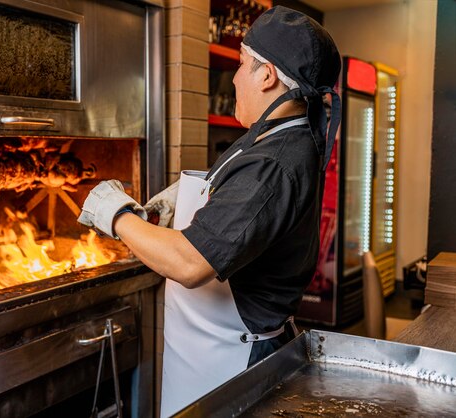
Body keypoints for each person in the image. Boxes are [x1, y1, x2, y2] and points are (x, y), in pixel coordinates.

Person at [78, 6, 341, 417]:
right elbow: (238, 210)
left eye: (241, 65)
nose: (235, 78)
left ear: (267, 75)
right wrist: (175, 209)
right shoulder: (273, 137)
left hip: (232, 359)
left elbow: (190, 264)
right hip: (210, 351)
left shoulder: (274, 160)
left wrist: (114, 214)